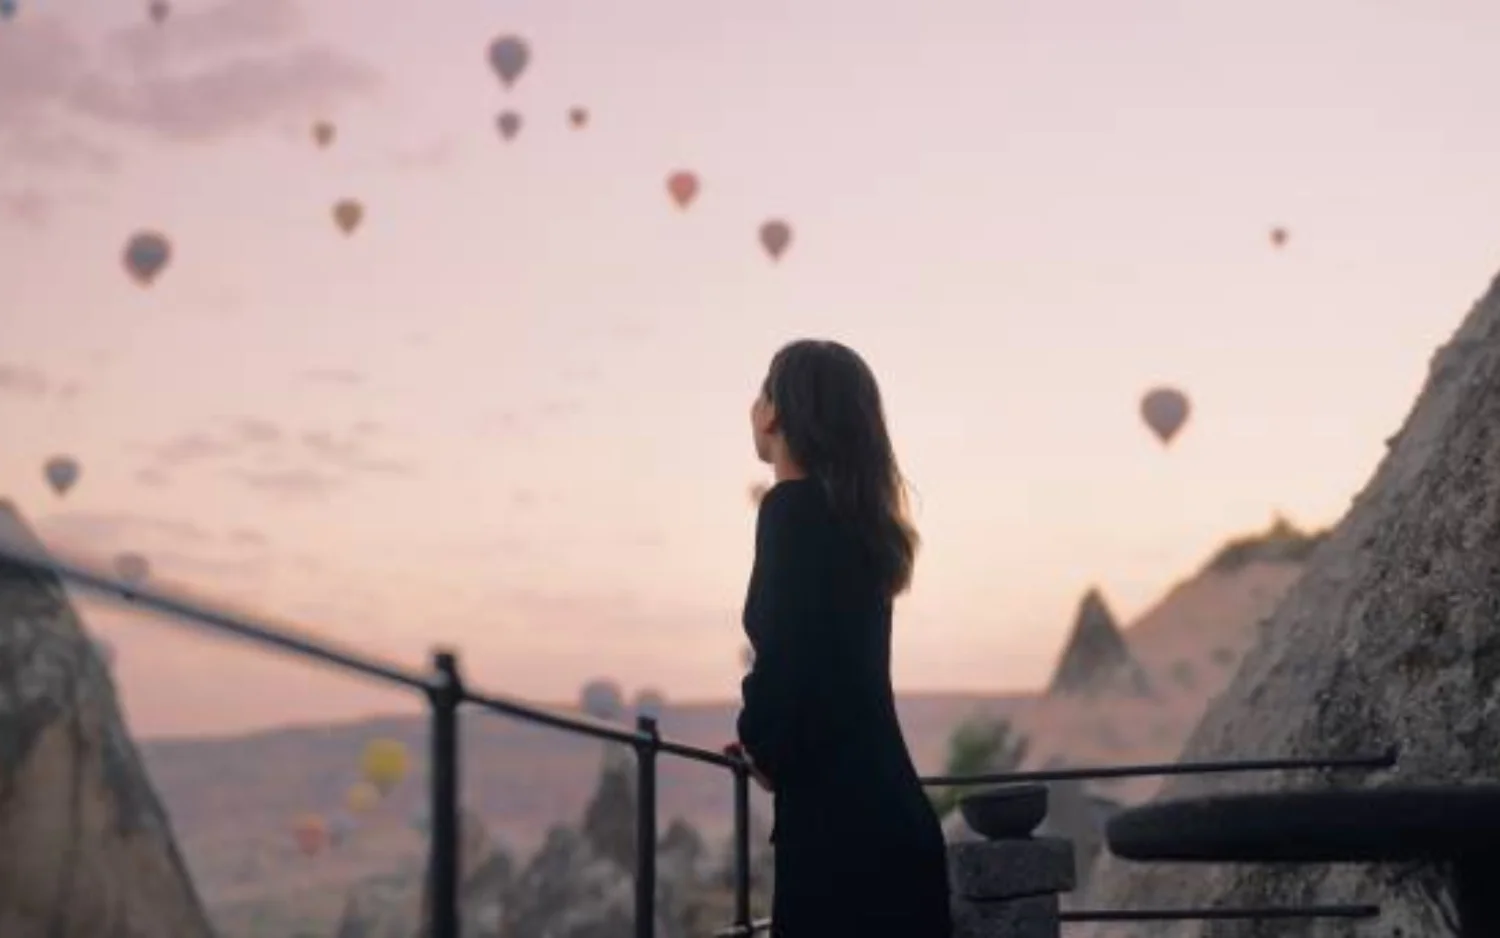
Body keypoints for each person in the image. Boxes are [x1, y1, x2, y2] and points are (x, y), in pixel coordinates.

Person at [728, 339, 952, 938]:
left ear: (775, 414)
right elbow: (834, 669)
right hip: (893, 823)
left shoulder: (792, 512)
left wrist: (761, 743)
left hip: (839, 842)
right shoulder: (859, 524)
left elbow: (786, 659)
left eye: (762, 391)